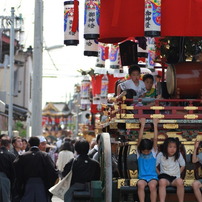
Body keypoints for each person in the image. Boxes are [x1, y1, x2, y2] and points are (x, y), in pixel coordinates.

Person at [13, 137, 58, 202]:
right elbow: (52, 171)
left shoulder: (23, 156)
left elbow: (16, 169)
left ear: (29, 144)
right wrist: (49, 184)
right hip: (42, 184)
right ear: (38, 144)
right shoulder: (44, 155)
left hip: (27, 184)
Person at [156, 137, 185, 202]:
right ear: (166, 147)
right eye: (170, 147)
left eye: (174, 147)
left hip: (175, 178)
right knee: (162, 182)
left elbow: (183, 165)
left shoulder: (178, 154)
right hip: (165, 178)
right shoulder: (161, 155)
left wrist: (178, 173)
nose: (172, 149)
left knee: (180, 182)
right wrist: (159, 174)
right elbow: (154, 166)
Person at [137, 118, 159, 202]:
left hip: (152, 176)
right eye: (144, 151)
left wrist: (155, 125)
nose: (146, 153)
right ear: (141, 150)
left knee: (153, 186)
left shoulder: (153, 152)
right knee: (140, 185)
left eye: (147, 151)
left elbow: (155, 139)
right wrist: (142, 125)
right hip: (142, 177)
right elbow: (139, 139)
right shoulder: (139, 153)